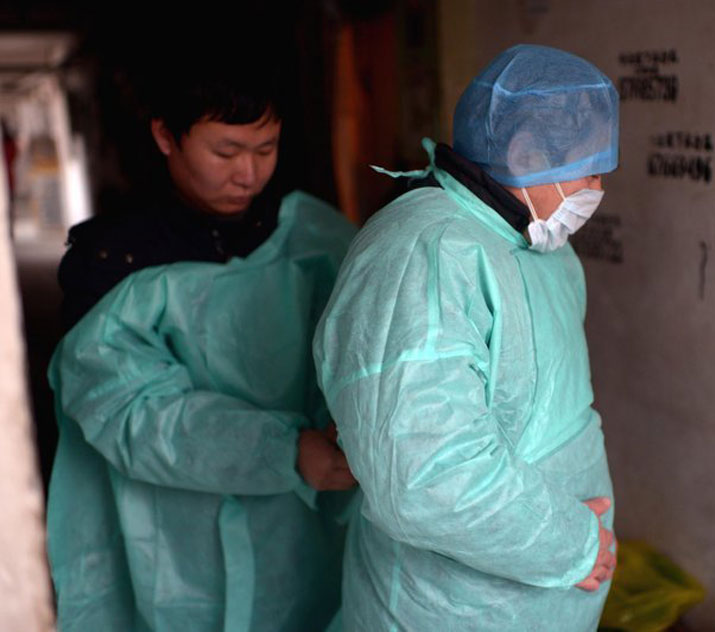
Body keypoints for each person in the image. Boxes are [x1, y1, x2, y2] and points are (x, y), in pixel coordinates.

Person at [46, 49, 357, 632]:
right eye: (226, 152)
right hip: (168, 548)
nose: (249, 174)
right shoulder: (113, 259)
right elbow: (127, 412)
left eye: (266, 150)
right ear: (166, 136)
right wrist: (283, 450)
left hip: (304, 534)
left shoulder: (313, 235)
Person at [312, 44, 619, 631]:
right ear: (528, 153)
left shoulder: (537, 245)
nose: (597, 188)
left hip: (531, 595)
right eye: (589, 167)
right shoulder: (424, 256)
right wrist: (570, 545)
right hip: (451, 607)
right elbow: (426, 475)